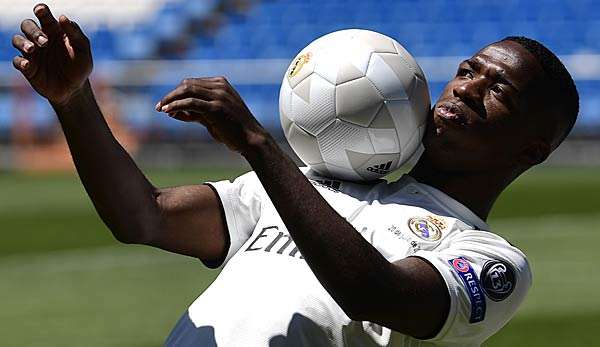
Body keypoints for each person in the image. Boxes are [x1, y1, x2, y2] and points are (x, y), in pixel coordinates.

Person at [12, 4, 578, 347]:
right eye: (467, 71)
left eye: (498, 89)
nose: (466, 90)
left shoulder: (489, 261)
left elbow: (372, 291)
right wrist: (74, 100)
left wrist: (259, 146)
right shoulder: (311, 181)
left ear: (532, 148)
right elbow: (143, 216)